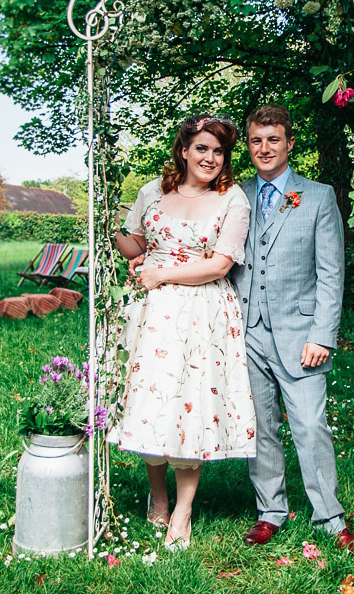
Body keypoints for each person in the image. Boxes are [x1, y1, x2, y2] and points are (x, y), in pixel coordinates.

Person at [106, 115, 256, 551]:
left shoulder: (232, 200)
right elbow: (136, 246)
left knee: (190, 404)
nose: (210, 158)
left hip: (201, 310)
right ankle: (158, 498)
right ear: (185, 150)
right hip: (150, 312)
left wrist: (161, 275)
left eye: (219, 151)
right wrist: (113, 224)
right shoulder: (153, 191)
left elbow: (221, 263)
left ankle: (184, 511)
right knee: (152, 401)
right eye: (202, 148)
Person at [230, 104, 354, 553]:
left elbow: (331, 273)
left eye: (273, 139)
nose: (264, 148)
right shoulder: (235, 195)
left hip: (301, 333)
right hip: (246, 331)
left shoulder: (319, 196)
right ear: (248, 146)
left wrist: (322, 334)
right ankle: (270, 511)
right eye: (255, 140)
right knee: (261, 426)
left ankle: (330, 516)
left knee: (310, 425)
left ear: (289, 143)